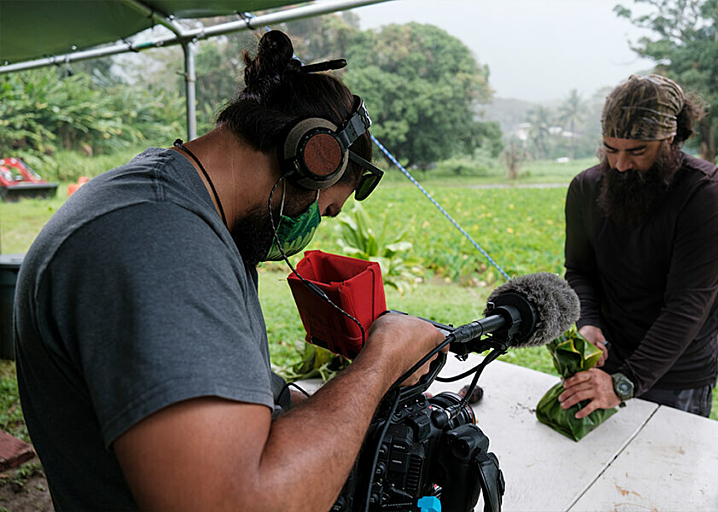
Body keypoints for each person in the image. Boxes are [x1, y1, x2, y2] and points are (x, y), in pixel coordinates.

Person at [14, 30, 445, 511]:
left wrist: (359, 407)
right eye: (324, 212)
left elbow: (247, 395)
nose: (310, 229)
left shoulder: (197, 218)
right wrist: (380, 361)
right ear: (311, 159)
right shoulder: (157, 243)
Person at [559, 74, 718, 419]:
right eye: (611, 150)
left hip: (678, 374)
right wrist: (589, 322)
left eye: (637, 151)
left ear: (670, 139)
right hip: (607, 362)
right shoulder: (585, 188)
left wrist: (626, 383)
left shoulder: (707, 195)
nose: (620, 165)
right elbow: (580, 270)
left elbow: (687, 304)